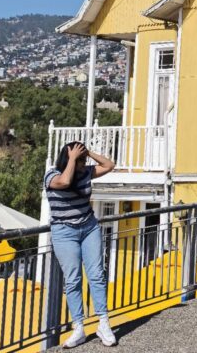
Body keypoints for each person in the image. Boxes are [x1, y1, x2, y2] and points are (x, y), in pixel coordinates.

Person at [45, 141, 117, 347]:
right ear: (68, 159)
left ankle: (103, 323)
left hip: (89, 227)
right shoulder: (51, 175)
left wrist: (88, 152)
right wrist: (73, 158)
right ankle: (78, 328)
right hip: (64, 232)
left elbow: (109, 165)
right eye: (80, 160)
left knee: (96, 274)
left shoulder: (85, 172)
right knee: (73, 279)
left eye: (84, 160)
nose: (83, 164)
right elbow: (65, 182)